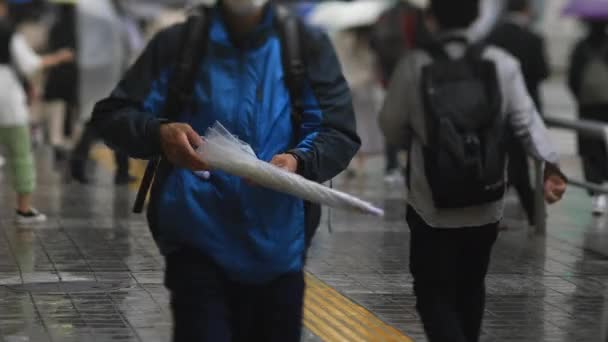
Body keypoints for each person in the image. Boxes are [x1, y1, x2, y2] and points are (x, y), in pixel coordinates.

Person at [91, 0, 359, 340]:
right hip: (197, 244)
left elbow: (337, 130)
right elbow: (112, 115)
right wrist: (159, 134)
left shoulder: (305, 47)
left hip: (278, 253)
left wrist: (298, 161)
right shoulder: (180, 44)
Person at [379, 0, 567, 341]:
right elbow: (526, 123)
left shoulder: (415, 64)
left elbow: (391, 127)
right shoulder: (501, 63)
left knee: (433, 291)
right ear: (477, 16)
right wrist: (551, 166)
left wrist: (419, 140)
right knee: (471, 286)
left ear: (432, 19)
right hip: (485, 201)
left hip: (430, 203)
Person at [0, 0, 73, 223]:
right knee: (21, 153)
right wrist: (60, 57)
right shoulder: (9, 34)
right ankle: (23, 209)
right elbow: (30, 63)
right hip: (7, 100)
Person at [486, 0, 550, 227]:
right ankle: (534, 214)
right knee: (520, 162)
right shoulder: (533, 38)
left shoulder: (492, 36)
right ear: (526, 9)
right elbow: (543, 72)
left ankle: (528, 211)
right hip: (527, 107)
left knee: (507, 161)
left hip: (497, 109)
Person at [568, 19, 608, 215]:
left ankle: (598, 196)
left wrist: (583, 97)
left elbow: (572, 79)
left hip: (587, 107)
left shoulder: (580, 47)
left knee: (591, 150)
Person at [44, 2, 78, 164]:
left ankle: (57, 147)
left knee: (57, 114)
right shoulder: (79, 28)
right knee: (71, 114)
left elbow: (49, 48)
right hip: (74, 76)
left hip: (57, 75)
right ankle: (69, 145)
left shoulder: (55, 26)